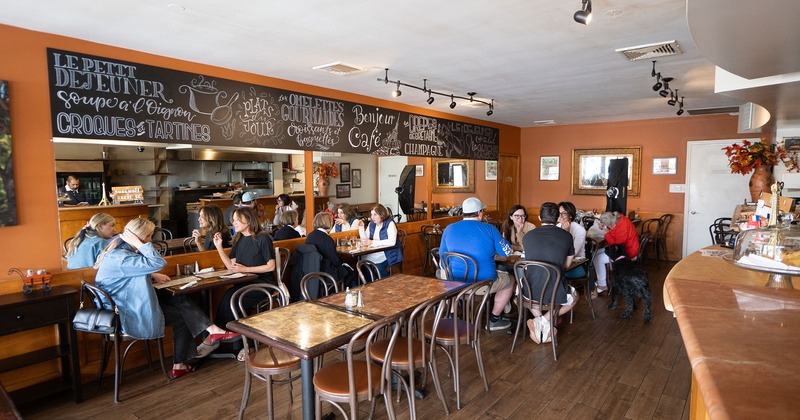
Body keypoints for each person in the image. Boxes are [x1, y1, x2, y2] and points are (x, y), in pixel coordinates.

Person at [94, 218, 238, 379]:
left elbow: (128, 272)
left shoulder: (119, 252)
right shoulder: (123, 257)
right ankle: (182, 360)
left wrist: (151, 274)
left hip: (127, 304)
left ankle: (211, 333)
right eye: (149, 236)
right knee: (183, 315)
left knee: (179, 299)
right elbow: (158, 262)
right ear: (140, 237)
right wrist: (140, 245)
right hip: (126, 314)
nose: (150, 240)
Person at [200, 206, 277, 360]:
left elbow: (271, 266)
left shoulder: (262, 237)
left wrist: (246, 269)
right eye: (233, 220)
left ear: (248, 219)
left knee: (233, 298)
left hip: (263, 283)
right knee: (229, 296)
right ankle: (238, 342)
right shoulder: (238, 239)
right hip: (245, 283)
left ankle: (226, 339)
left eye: (237, 220)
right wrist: (219, 247)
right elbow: (231, 266)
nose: (234, 223)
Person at [438, 197, 514, 331]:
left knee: (446, 277)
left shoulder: (449, 229)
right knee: (510, 280)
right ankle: (494, 319)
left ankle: (453, 315)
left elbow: (443, 257)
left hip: (455, 283)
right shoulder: (490, 229)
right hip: (482, 285)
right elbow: (507, 252)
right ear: (480, 213)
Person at [521, 202, 578, 343]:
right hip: (556, 289)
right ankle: (545, 322)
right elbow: (567, 265)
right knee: (575, 297)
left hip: (530, 290)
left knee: (522, 290)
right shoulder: (567, 236)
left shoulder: (527, 236)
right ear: (558, 218)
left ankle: (540, 322)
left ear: (539, 217)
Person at [592, 211, 640, 295]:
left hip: (627, 252)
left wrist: (606, 233)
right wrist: (605, 227)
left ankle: (602, 284)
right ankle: (601, 279)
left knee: (598, 259)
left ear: (612, 223)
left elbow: (616, 245)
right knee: (595, 253)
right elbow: (613, 231)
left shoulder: (623, 227)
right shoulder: (619, 218)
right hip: (627, 248)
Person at [306, 211, 355, 284]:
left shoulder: (310, 236)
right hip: (327, 273)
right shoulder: (326, 238)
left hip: (312, 270)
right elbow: (336, 261)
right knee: (351, 271)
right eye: (331, 221)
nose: (332, 223)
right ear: (327, 223)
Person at [357, 204, 402, 278]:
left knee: (377, 266)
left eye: (375, 214)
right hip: (375, 253)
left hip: (389, 253)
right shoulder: (372, 224)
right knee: (363, 265)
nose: (372, 217)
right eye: (371, 214)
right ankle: (374, 283)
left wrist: (373, 242)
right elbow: (365, 240)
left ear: (382, 214)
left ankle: (387, 282)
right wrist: (361, 228)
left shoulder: (389, 223)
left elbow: (392, 242)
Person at [558, 201, 587, 279]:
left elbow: (573, 252)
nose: (560, 216)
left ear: (570, 215)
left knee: (553, 272)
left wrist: (566, 234)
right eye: (559, 213)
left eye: (564, 213)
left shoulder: (580, 230)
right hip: (559, 261)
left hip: (576, 263)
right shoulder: (556, 227)